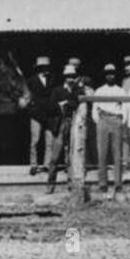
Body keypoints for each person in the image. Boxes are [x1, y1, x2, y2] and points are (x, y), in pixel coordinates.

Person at [43, 64, 84, 194]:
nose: (70, 79)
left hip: (74, 124)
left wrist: (67, 103)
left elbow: (79, 102)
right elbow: (50, 106)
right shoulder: (57, 90)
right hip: (61, 124)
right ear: (64, 77)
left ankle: (71, 184)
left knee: (72, 156)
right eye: (68, 77)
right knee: (55, 156)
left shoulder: (78, 90)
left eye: (72, 77)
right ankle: (50, 184)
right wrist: (60, 105)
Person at [92, 63, 126, 194]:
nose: (110, 76)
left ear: (115, 75)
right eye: (107, 74)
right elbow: (95, 108)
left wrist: (121, 120)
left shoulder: (120, 91)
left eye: (112, 74)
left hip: (116, 119)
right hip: (103, 120)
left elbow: (125, 107)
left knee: (117, 154)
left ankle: (118, 183)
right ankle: (103, 183)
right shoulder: (99, 91)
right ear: (105, 76)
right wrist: (98, 121)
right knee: (102, 153)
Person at [25, 56, 52, 174]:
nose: (45, 69)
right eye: (43, 67)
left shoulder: (52, 79)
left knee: (49, 141)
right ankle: (33, 164)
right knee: (35, 140)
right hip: (36, 114)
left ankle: (47, 164)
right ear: (39, 68)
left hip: (49, 114)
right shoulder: (31, 81)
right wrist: (32, 110)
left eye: (46, 67)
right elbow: (27, 97)